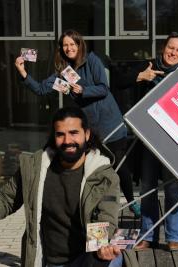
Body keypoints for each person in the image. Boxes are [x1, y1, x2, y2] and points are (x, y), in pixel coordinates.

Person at [0, 107, 136, 267]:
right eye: (60, 134)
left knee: (112, 261)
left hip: (86, 259)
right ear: (53, 136)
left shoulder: (104, 175)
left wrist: (103, 246)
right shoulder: (35, 167)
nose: (67, 141)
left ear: (86, 135)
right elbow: (7, 199)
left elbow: (106, 216)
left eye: (74, 133)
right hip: (50, 261)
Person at [14, 29, 140, 217]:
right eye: (65, 45)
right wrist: (23, 72)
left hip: (110, 122)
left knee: (120, 165)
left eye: (73, 44)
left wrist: (83, 90)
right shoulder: (63, 72)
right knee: (96, 167)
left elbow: (103, 89)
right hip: (91, 128)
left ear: (79, 45)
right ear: (61, 48)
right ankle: (97, 209)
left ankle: (132, 202)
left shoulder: (92, 60)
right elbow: (41, 89)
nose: (69, 48)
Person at [131, 32, 178, 251]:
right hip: (148, 139)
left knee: (173, 189)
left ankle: (174, 236)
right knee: (147, 187)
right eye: (170, 47)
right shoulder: (148, 68)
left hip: (174, 143)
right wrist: (140, 78)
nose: (172, 52)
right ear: (163, 47)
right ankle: (148, 235)